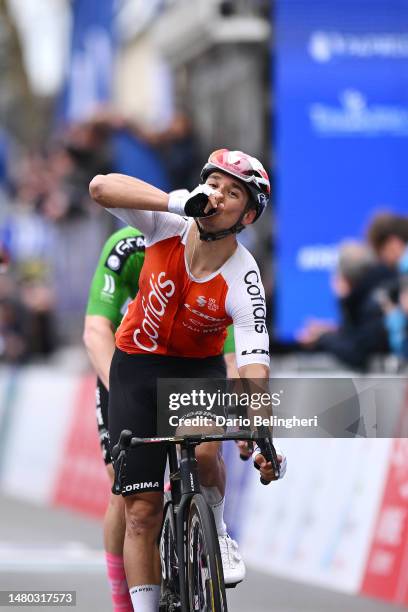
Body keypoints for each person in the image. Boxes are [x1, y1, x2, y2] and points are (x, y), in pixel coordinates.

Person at [89, 148, 286, 611]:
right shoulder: (165, 224)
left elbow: (255, 369)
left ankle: (216, 530)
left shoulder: (244, 277)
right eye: (213, 183)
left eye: (232, 192)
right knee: (141, 512)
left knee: (202, 450)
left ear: (248, 215)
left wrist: (264, 439)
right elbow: (100, 187)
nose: (218, 194)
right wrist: (176, 202)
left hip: (196, 370)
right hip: (136, 364)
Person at [83, 225, 238, 611]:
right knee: (128, 496)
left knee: (205, 453)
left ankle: (207, 537)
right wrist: (122, 396)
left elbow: (232, 358)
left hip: (187, 369)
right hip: (125, 369)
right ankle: (125, 602)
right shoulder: (127, 249)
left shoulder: (219, 261)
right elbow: (95, 330)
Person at [298, 241, 395, 370]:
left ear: (346, 278)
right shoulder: (367, 296)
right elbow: (355, 334)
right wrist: (330, 331)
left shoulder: (373, 304)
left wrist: (323, 338)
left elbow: (357, 352)